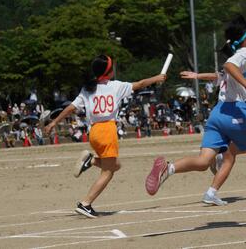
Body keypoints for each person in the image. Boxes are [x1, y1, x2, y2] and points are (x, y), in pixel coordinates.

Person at [145, 14, 246, 218]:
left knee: (204, 161)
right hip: (235, 113)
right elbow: (229, 67)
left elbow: (228, 77)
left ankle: (168, 169)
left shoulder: (244, 60)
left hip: (218, 113)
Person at [45, 54, 166, 218]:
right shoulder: (116, 86)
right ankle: (85, 203)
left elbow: (70, 109)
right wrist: (157, 78)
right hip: (107, 131)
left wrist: (54, 122)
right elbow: (141, 84)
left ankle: (91, 160)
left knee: (115, 165)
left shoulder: (88, 89)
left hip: (94, 132)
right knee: (108, 172)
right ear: (108, 72)